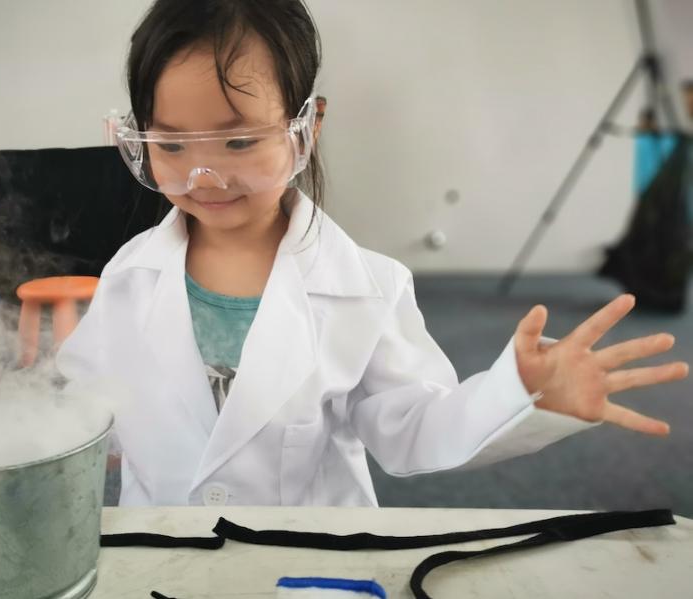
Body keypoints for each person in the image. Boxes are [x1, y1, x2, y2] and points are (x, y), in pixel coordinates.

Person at [57, 0, 688, 507]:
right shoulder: (130, 275)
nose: (205, 178)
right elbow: (85, 403)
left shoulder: (367, 289)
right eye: (171, 147)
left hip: (300, 561)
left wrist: (518, 395)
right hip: (161, 555)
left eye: (241, 140)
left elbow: (414, 426)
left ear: (309, 125)